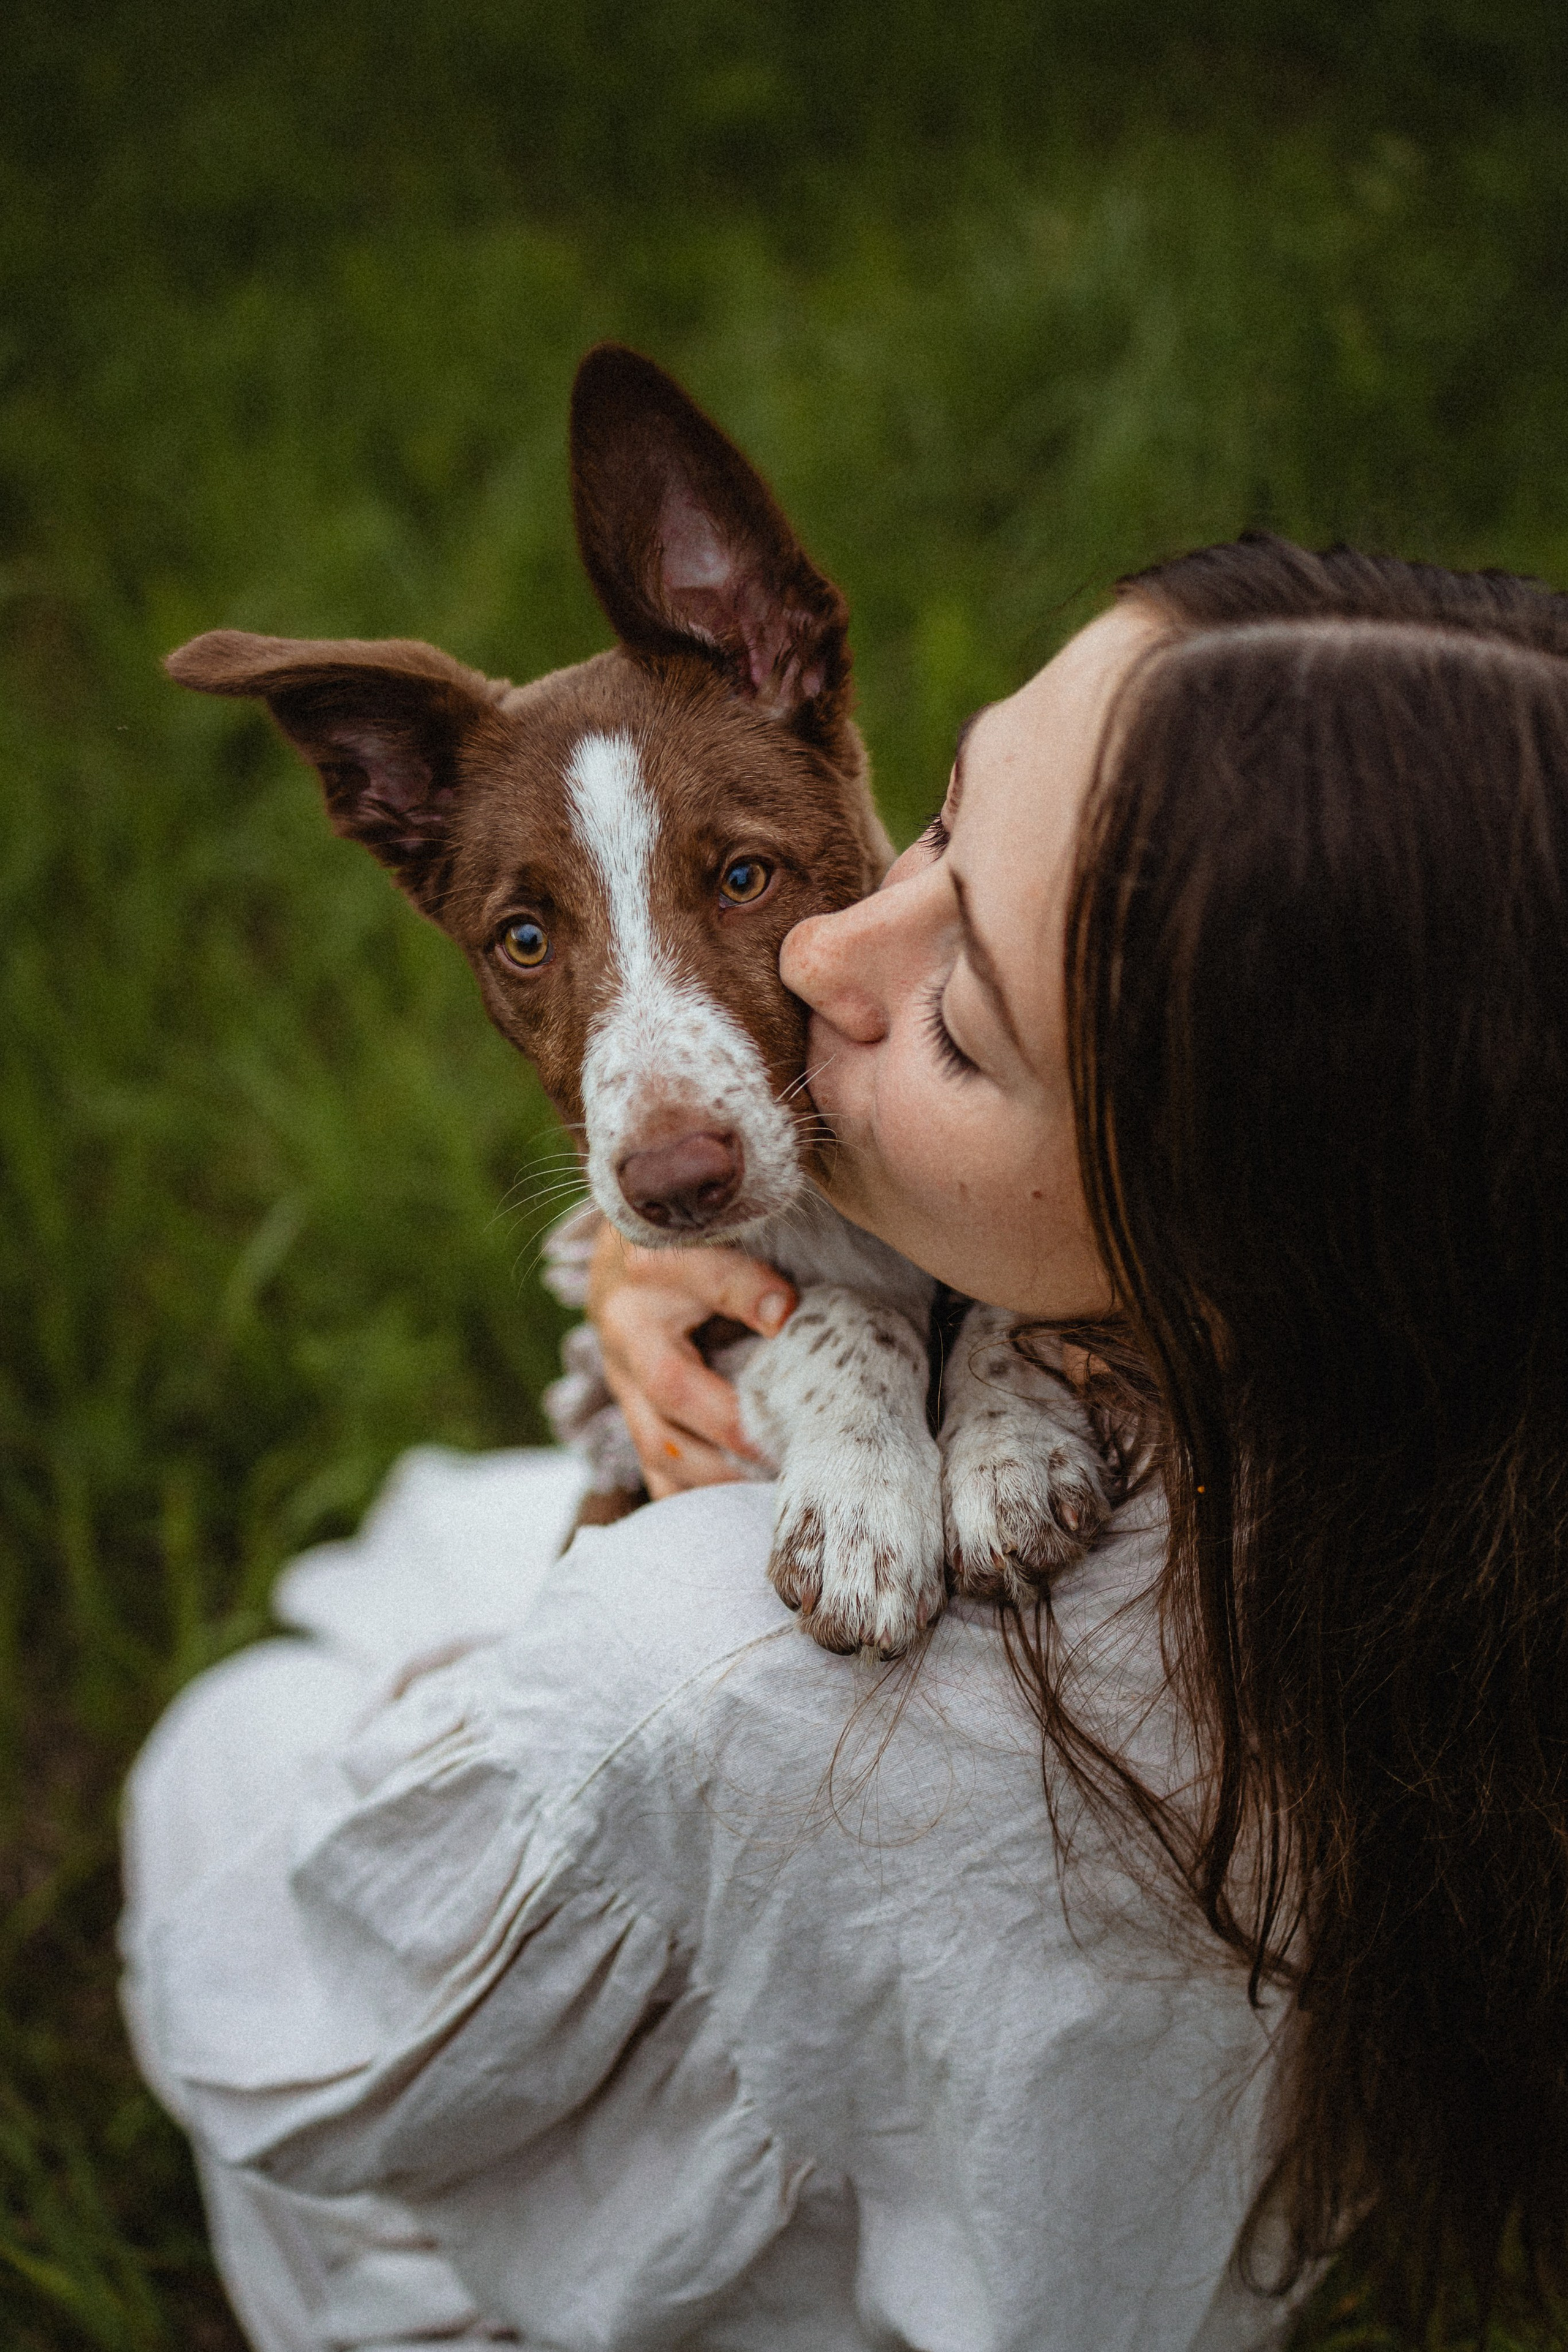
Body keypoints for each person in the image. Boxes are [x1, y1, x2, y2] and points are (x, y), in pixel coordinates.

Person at [119, 536, 1568, 2352]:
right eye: (937, 831)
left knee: (220, 1758)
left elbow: (327, 2063)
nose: (824, 945)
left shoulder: (703, 1664)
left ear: (1219, 1180)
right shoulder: (1437, 1426)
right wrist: (737, 1306)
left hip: (747, 2246)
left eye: (965, 1018)